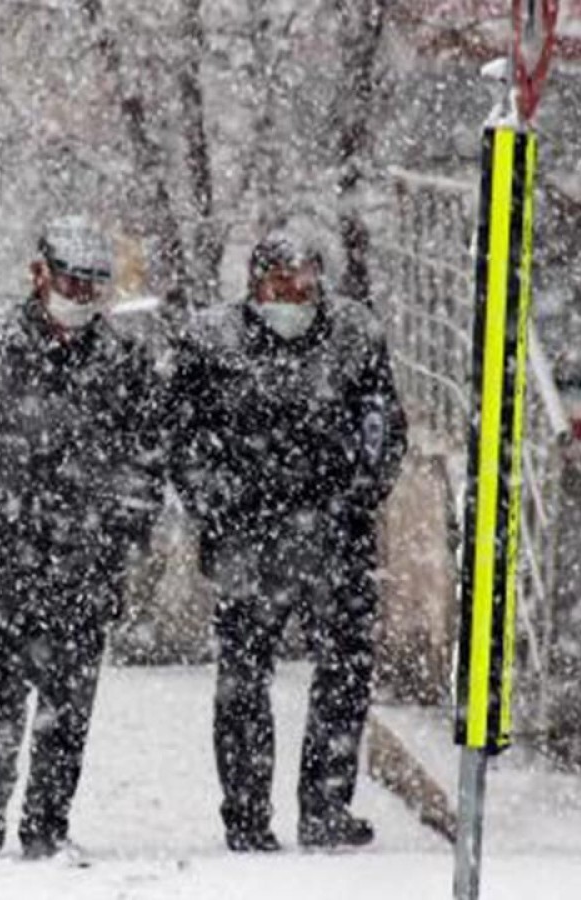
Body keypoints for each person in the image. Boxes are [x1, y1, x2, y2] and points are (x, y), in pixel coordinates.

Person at [167, 221, 408, 852]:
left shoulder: (356, 336)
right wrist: (217, 501)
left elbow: (383, 425)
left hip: (337, 536)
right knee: (244, 677)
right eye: (280, 282)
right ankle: (246, 815)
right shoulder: (211, 340)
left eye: (304, 284)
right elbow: (182, 436)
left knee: (346, 673)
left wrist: (355, 495)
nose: (293, 296)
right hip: (247, 539)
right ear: (255, 283)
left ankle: (326, 807)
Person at [0, 215, 163, 860]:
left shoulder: (126, 361)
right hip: (1, 564)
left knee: (70, 702)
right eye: (70, 281)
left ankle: (47, 825)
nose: (81, 296)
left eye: (94, 285)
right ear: (40, 274)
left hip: (86, 563)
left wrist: (117, 527)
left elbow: (145, 458)